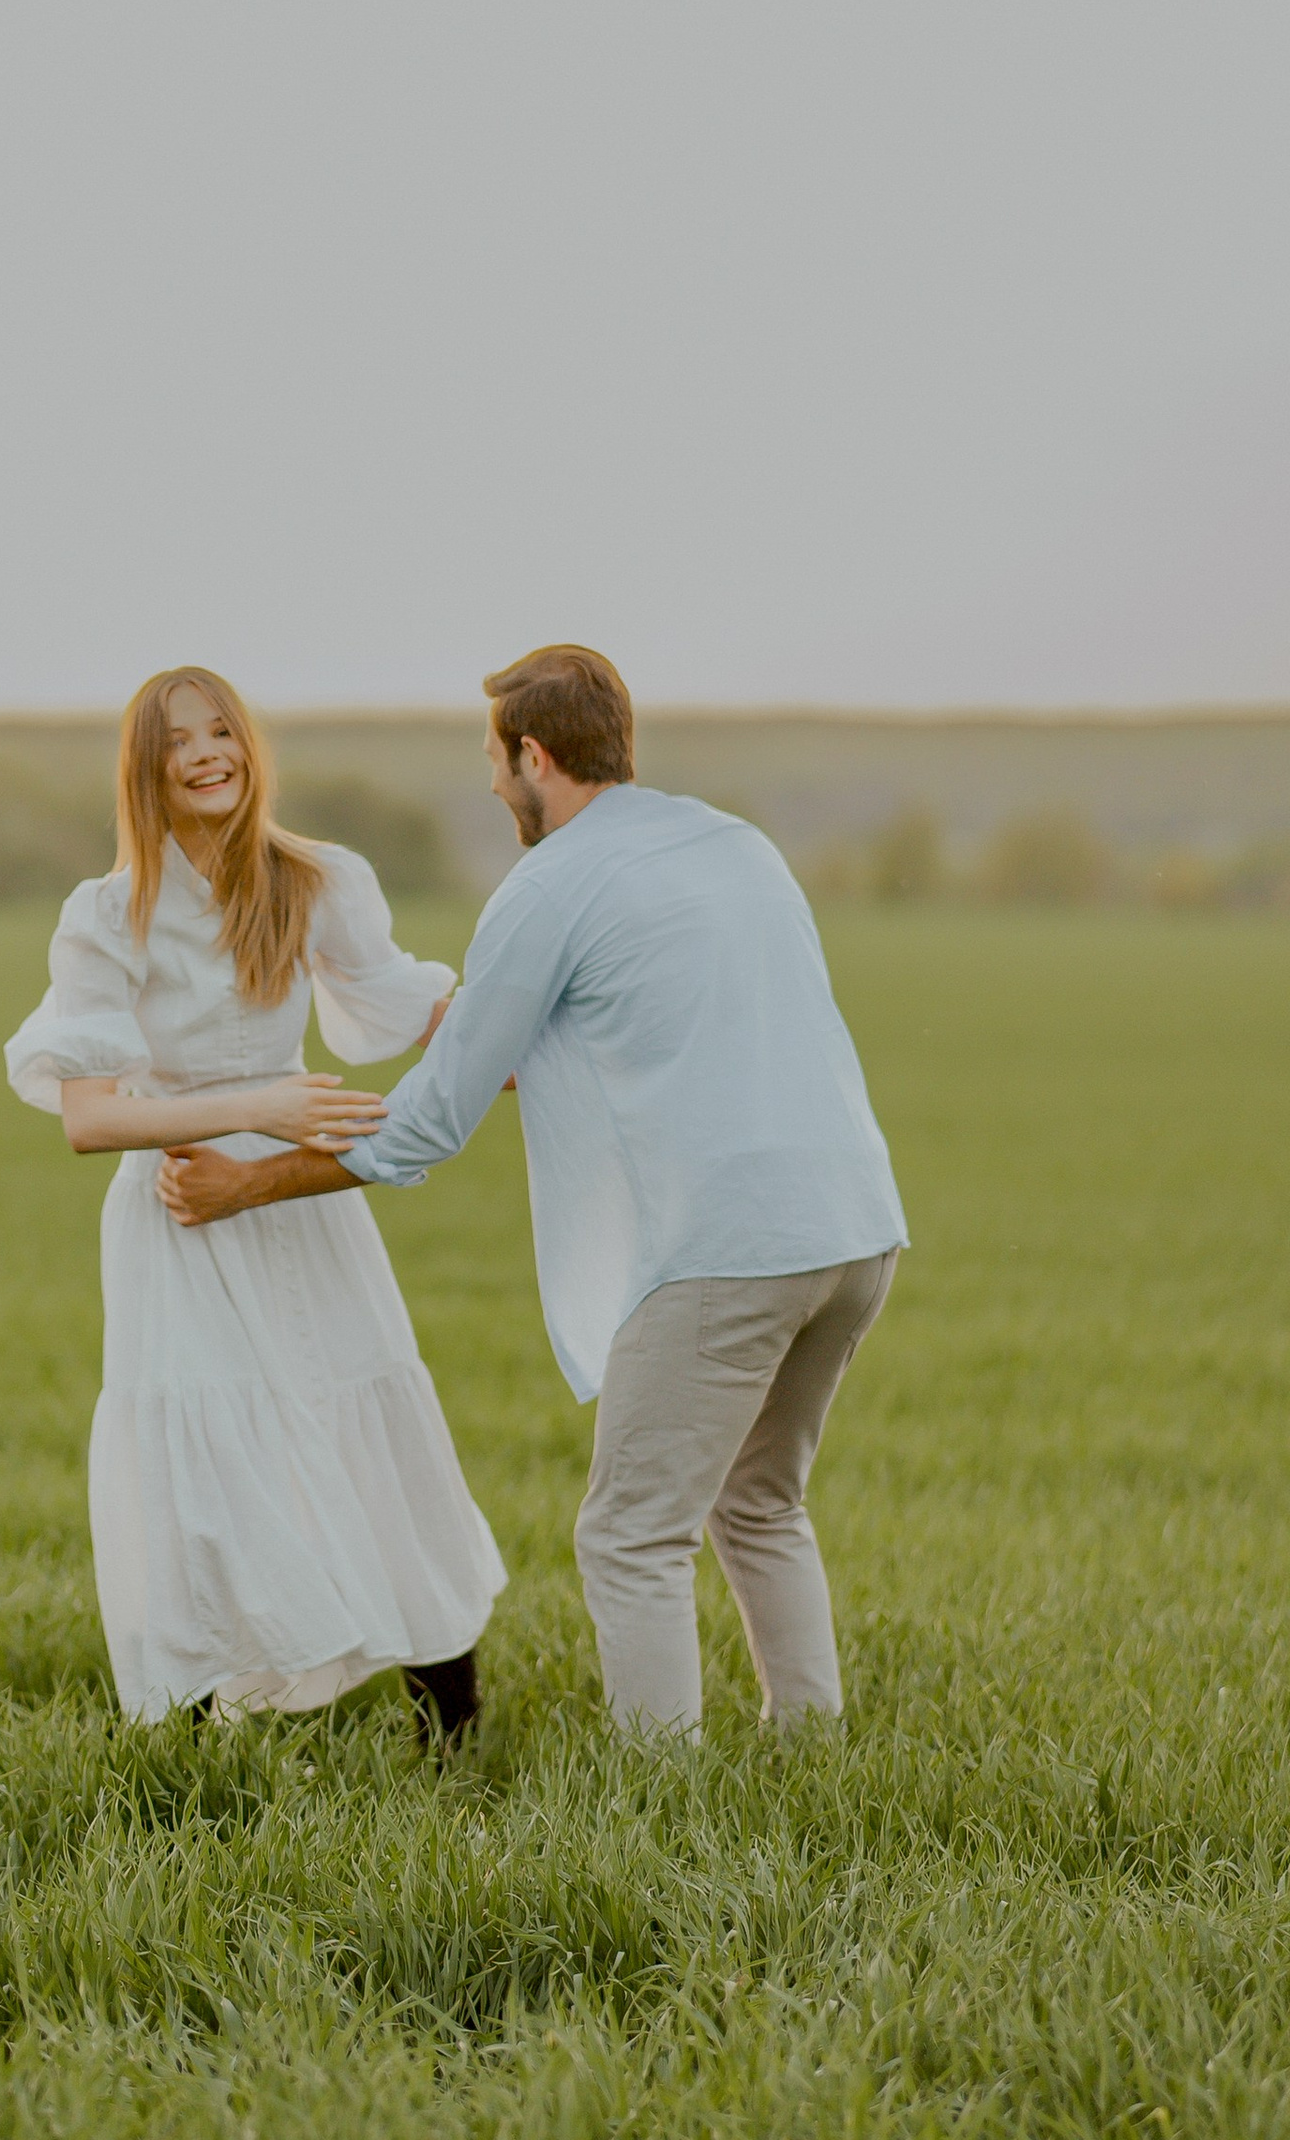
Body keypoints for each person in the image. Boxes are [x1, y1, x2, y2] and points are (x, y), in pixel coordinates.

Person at [160, 644, 907, 1735]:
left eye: (493, 760)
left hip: (722, 1247)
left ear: (535, 754)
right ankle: (813, 1760)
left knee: (629, 1536)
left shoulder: (547, 886)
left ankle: (662, 1812)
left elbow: (423, 1127)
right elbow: (668, 1018)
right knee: (759, 1503)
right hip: (855, 1231)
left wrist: (246, 1183)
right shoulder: (736, 846)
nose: (490, 783)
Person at [6, 667, 501, 1737]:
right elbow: (88, 1120)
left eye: (222, 730)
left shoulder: (314, 879)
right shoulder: (105, 915)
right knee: (197, 1482)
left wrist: (532, 1047)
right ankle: (194, 1742)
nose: (205, 753)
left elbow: (414, 1008)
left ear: (248, 746)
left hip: (301, 1205)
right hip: (178, 1212)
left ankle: (450, 1725)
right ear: (146, 768)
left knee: (367, 1425)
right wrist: (256, 1102)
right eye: (178, 740)